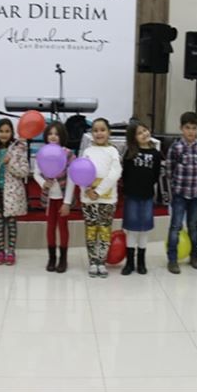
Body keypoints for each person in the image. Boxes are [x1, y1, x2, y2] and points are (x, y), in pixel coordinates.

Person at [165, 111, 197, 274]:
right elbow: (169, 170)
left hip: (196, 195)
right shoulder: (176, 147)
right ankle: (172, 259)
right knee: (176, 226)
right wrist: (174, 188)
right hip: (179, 194)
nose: (190, 131)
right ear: (181, 128)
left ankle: (194, 255)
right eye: (187, 128)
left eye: (194, 128)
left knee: (193, 225)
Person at [0, 119, 29, 266]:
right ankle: (1, 251)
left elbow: (24, 172)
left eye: (7, 131)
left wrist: (10, 164)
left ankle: (11, 252)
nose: (4, 134)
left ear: (12, 133)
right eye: (1, 131)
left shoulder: (18, 149)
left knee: (12, 223)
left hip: (12, 192)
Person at [80, 118, 122, 278]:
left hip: (107, 199)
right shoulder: (87, 151)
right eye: (95, 130)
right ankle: (93, 261)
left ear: (109, 132)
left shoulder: (113, 151)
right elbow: (81, 171)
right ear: (91, 133)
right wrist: (87, 190)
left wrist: (98, 191)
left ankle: (101, 262)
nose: (99, 133)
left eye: (102, 130)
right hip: (88, 199)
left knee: (104, 230)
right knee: (91, 230)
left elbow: (115, 173)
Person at [33, 121, 76, 273]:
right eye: (50, 133)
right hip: (49, 198)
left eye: (56, 134)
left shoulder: (69, 154)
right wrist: (43, 183)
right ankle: (52, 258)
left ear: (62, 136)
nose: (53, 136)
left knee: (63, 227)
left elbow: (72, 179)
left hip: (62, 198)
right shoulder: (42, 153)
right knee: (50, 227)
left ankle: (63, 258)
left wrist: (67, 202)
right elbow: (36, 173)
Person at [120, 120, 161, 275]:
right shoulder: (130, 153)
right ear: (133, 137)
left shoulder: (156, 154)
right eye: (139, 133)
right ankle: (130, 262)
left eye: (145, 130)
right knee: (131, 229)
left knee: (144, 229)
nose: (144, 134)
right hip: (132, 196)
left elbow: (156, 175)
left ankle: (141, 262)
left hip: (147, 196)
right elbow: (125, 175)